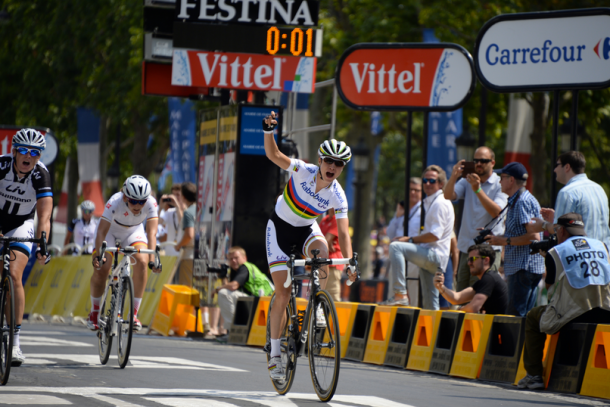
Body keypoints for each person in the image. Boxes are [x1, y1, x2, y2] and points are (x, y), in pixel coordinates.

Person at [262, 111, 357, 381]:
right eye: (328, 160)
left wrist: (350, 262)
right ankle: (276, 355)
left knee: (323, 252)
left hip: (305, 229)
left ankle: (316, 305)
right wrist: (269, 132)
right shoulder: (303, 169)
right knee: (282, 292)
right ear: (320, 160)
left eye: (338, 164)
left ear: (342, 168)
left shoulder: (338, 195)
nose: (332, 166)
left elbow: (343, 231)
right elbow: (274, 156)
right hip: (279, 229)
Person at [518, 213, 610, 390]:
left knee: (533, 316)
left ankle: (534, 375)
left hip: (574, 314)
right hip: (605, 311)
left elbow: (551, 290)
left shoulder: (556, 252)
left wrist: (548, 260)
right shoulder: (603, 246)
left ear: (560, 231)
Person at [0, 129, 52, 366]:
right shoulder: (1, 166)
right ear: (13, 151)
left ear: (39, 156)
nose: (28, 156)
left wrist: (43, 244)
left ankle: (16, 343)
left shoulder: (41, 175)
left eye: (35, 152)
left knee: (14, 274)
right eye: (23, 150)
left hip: (21, 224)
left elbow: (44, 215)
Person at [89, 175, 161, 332]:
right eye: (133, 201)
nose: (137, 205)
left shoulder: (151, 202)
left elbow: (152, 233)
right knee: (103, 268)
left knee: (141, 262)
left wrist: (153, 259)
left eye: (141, 202)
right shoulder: (114, 202)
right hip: (109, 232)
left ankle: (133, 315)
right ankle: (94, 312)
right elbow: (101, 231)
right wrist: (99, 255)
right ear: (125, 196)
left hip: (133, 232)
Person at [388, 165, 455, 310]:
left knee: (395, 247)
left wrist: (410, 239)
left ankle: (400, 294)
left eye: (432, 181)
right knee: (431, 305)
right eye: (425, 180)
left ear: (441, 184)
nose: (427, 184)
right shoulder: (432, 202)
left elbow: (435, 235)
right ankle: (435, 332)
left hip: (434, 256)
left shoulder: (440, 203)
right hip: (431, 257)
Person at [444, 147, 507, 292]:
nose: (479, 164)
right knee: (461, 293)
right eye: (476, 160)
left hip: (487, 251)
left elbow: (496, 212)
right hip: (467, 248)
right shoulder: (468, 180)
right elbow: (448, 196)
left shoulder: (500, 184)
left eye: (483, 161)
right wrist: (454, 176)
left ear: (492, 163)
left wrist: (477, 190)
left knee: (479, 295)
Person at [485, 162, 544, 317]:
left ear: (511, 180)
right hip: (525, 267)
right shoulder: (520, 199)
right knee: (523, 316)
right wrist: (497, 237)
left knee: (515, 317)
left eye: (502, 178)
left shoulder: (522, 201)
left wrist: (504, 241)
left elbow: (533, 237)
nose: (499, 181)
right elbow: (522, 232)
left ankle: (516, 342)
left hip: (522, 268)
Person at [530, 151, 610, 246]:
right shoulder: (599, 189)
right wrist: (556, 218)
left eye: (557, 165)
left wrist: (543, 225)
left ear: (567, 167)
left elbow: (560, 231)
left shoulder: (567, 192)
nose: (554, 169)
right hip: (604, 254)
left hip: (581, 254)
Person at [214, 246, 274, 341]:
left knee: (223, 292)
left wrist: (217, 289)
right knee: (225, 293)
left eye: (236, 258)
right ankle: (233, 331)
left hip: (264, 303)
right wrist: (223, 276)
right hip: (260, 302)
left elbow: (232, 287)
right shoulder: (238, 269)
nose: (233, 261)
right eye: (231, 259)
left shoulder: (245, 267)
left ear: (244, 258)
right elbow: (230, 290)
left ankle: (233, 332)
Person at [434, 244, 508, 314]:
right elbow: (457, 298)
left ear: (486, 260)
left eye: (473, 259)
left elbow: (474, 307)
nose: (469, 263)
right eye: (468, 259)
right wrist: (440, 286)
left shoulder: (489, 278)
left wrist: (460, 309)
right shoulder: (485, 279)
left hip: (503, 326)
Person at [386, 178, 422, 304]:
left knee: (412, 294)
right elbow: (390, 234)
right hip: (397, 257)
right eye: (411, 189)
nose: (413, 192)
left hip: (413, 258)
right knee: (394, 294)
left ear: (421, 192)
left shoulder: (423, 211)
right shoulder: (403, 210)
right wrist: (397, 215)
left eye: (417, 190)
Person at [319, 209, 343, 302]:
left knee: (333, 296)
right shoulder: (324, 219)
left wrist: (326, 242)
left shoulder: (337, 220)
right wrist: (327, 243)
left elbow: (325, 239)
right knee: (320, 294)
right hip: (322, 261)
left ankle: (335, 316)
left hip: (333, 262)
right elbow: (319, 239)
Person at [158, 184, 183, 256]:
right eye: (173, 195)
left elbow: (182, 223)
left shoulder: (187, 212)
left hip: (181, 253)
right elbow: (157, 223)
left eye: (178, 195)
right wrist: (160, 208)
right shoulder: (170, 212)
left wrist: (178, 206)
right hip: (169, 253)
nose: (175, 197)